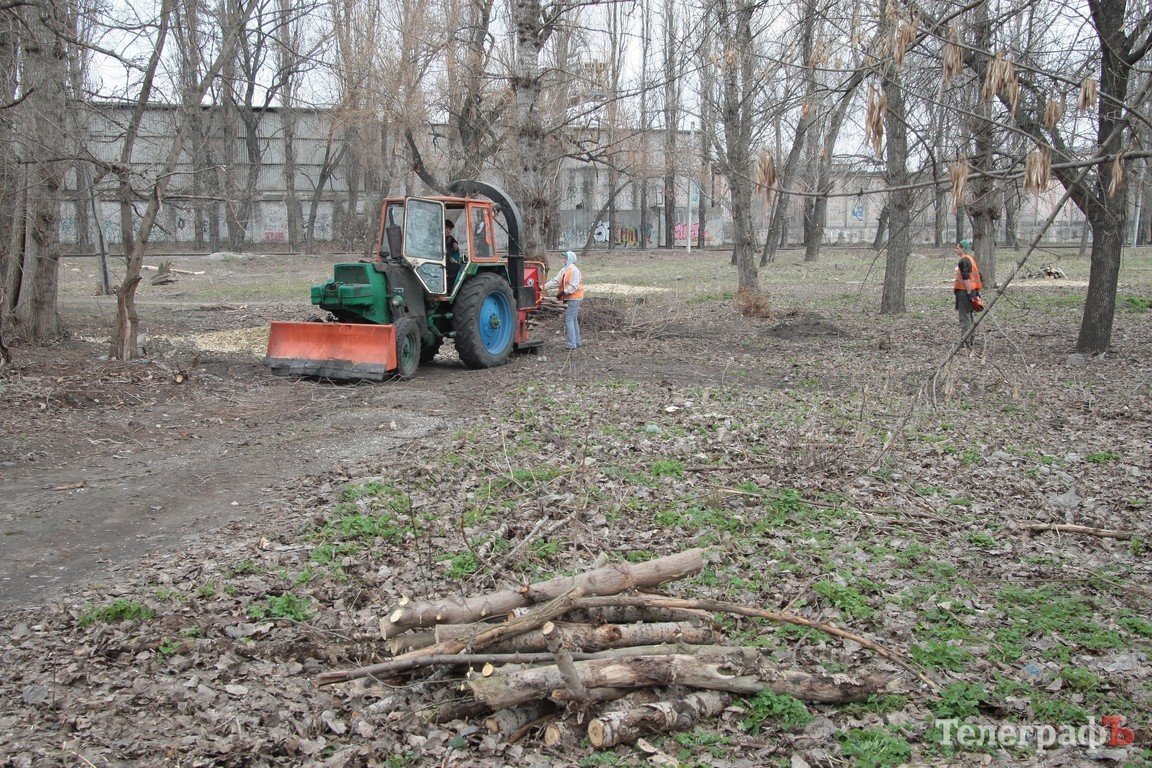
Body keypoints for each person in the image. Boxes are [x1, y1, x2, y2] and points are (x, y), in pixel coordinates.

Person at [545, 251, 584, 350]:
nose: (563, 259)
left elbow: (574, 286)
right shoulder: (564, 270)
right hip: (570, 297)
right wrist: (542, 287)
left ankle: (572, 344)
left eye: (565, 258)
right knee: (573, 320)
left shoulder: (574, 270)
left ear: (570, 259)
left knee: (569, 320)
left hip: (575, 298)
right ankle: (577, 342)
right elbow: (555, 281)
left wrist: (562, 293)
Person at [954, 239, 982, 350]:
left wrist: (969, 293)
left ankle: (965, 341)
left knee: (965, 318)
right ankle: (971, 339)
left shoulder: (963, 261)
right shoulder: (971, 260)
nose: (956, 250)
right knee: (970, 317)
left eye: (957, 248)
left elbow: (966, 278)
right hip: (971, 291)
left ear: (962, 249)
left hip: (964, 292)